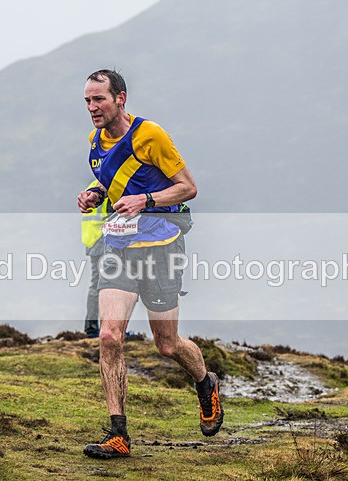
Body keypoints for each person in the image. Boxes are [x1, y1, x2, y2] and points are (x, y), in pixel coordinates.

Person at [77, 69, 223, 459]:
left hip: (161, 246)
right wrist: (94, 193)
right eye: (88, 101)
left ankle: (206, 383)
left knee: (167, 344)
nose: (92, 107)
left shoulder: (150, 135)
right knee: (110, 336)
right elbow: (116, 184)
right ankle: (118, 435)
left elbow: (188, 187)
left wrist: (147, 200)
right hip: (119, 247)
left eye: (99, 99)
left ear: (120, 98)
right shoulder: (96, 140)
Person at [81, 178, 109, 338]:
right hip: (102, 239)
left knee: (97, 284)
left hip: (92, 239)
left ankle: (92, 327)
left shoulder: (91, 186)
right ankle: (98, 328)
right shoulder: (107, 185)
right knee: (106, 285)